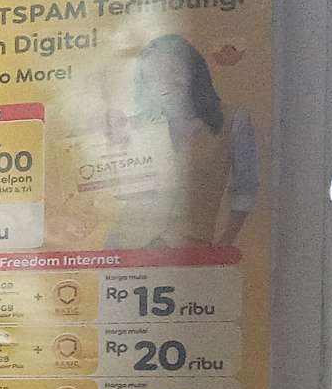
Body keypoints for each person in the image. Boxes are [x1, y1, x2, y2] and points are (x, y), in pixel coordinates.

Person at [104, 33, 260, 249]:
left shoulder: (233, 120)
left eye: (174, 71)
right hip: (125, 247)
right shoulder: (134, 127)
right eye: (154, 76)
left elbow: (245, 189)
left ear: (195, 71)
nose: (166, 82)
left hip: (191, 249)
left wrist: (224, 244)